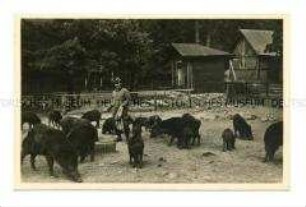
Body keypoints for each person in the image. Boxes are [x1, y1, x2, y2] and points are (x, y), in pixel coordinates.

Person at [107, 77, 131, 142]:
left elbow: (128, 99)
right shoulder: (113, 92)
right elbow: (113, 101)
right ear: (114, 84)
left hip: (123, 109)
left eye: (119, 83)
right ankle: (119, 136)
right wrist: (110, 107)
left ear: (121, 83)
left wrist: (123, 105)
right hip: (115, 110)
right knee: (115, 123)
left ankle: (128, 137)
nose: (118, 84)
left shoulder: (125, 91)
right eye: (116, 83)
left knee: (125, 123)